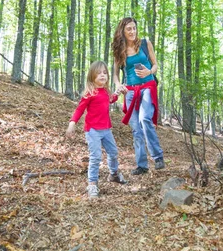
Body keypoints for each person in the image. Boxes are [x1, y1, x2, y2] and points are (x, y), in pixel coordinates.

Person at [66, 61, 128, 198]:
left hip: (106, 129)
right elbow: (80, 109)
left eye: (105, 73)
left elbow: (110, 100)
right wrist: (72, 123)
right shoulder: (90, 93)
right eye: (99, 73)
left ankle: (114, 174)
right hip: (93, 130)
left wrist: (118, 93)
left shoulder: (105, 91)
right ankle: (92, 184)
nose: (102, 75)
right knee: (96, 157)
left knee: (113, 152)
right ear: (92, 75)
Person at [112, 17, 164, 175]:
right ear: (123, 31)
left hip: (148, 87)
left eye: (134, 28)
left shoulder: (145, 43)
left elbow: (155, 65)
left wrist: (149, 71)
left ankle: (158, 157)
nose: (132, 31)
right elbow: (115, 74)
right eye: (129, 29)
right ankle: (142, 165)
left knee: (144, 118)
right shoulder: (119, 50)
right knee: (136, 129)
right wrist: (118, 85)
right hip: (130, 91)